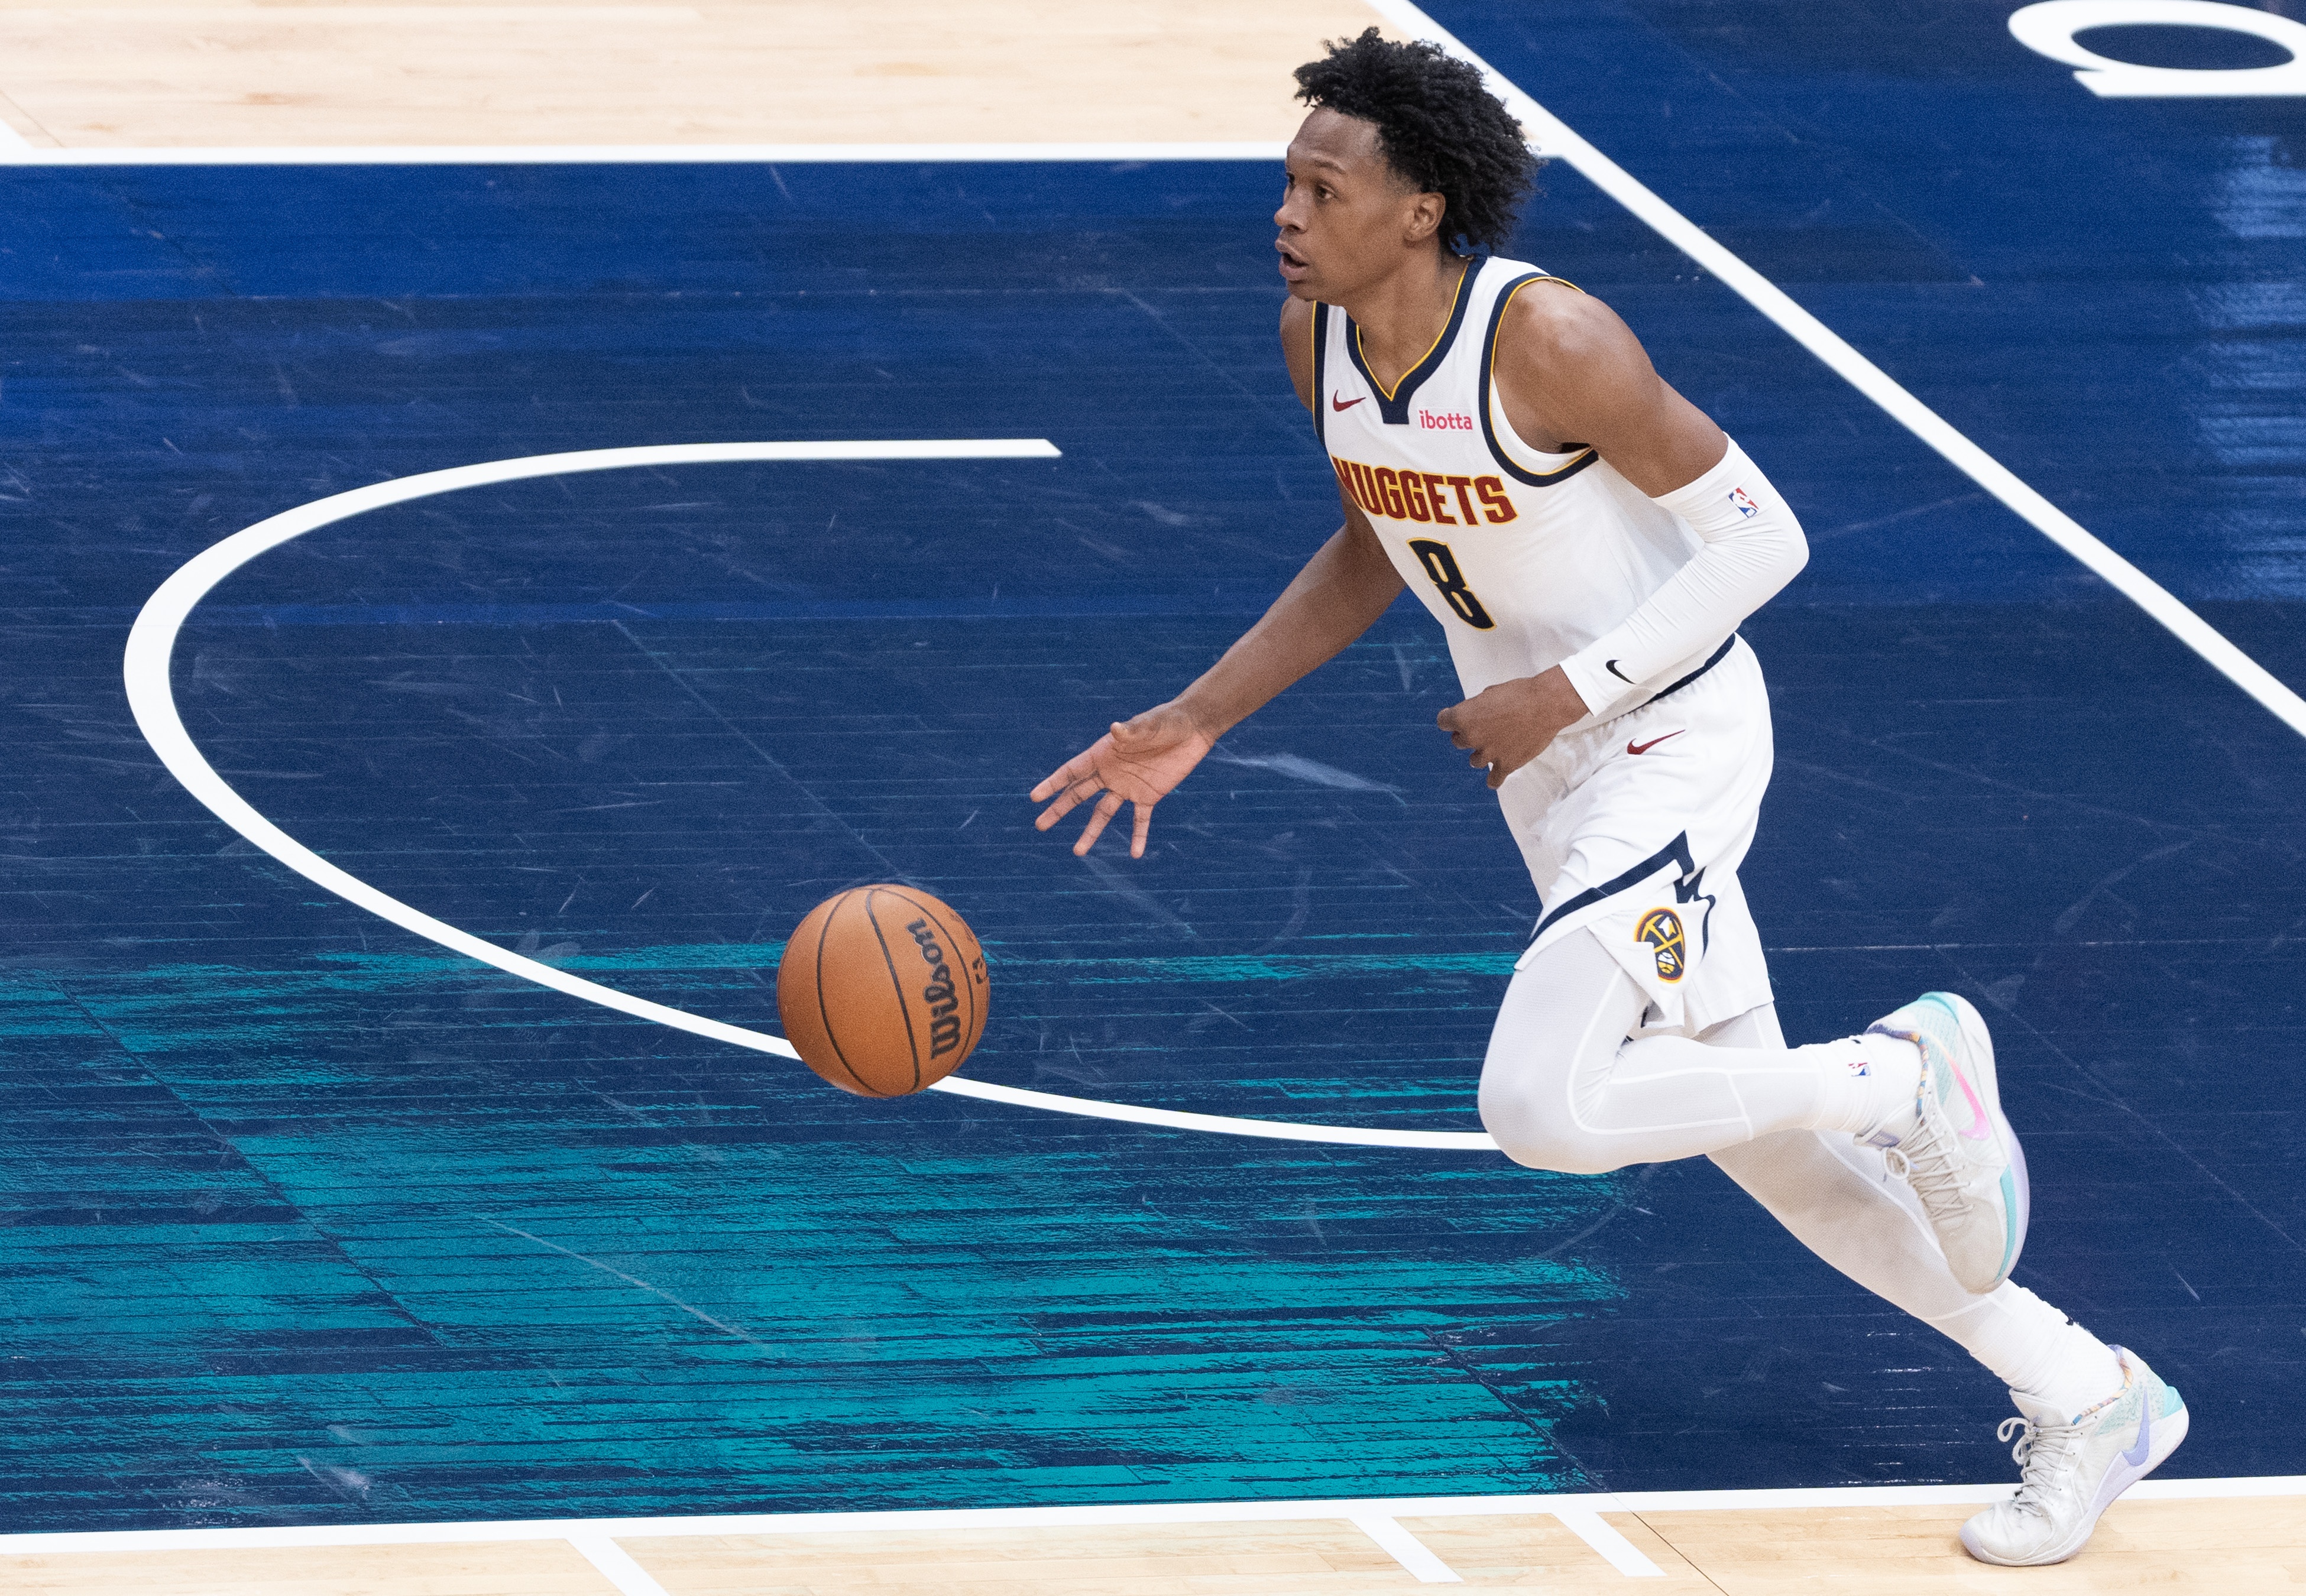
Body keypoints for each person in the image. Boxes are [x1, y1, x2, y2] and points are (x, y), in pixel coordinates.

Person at [1026, 28, 2185, 1568]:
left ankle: (1895, 1071)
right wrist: (1199, 715)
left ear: (1421, 208)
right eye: (1286, 183)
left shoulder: (1554, 341)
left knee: (1543, 1109)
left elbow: (1765, 539)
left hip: (1672, 739)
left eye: (1323, 188)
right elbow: (1377, 543)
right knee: (1763, 1144)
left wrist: (1566, 691)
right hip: (1556, 778)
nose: (1287, 215)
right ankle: (2088, 1390)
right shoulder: (1318, 339)